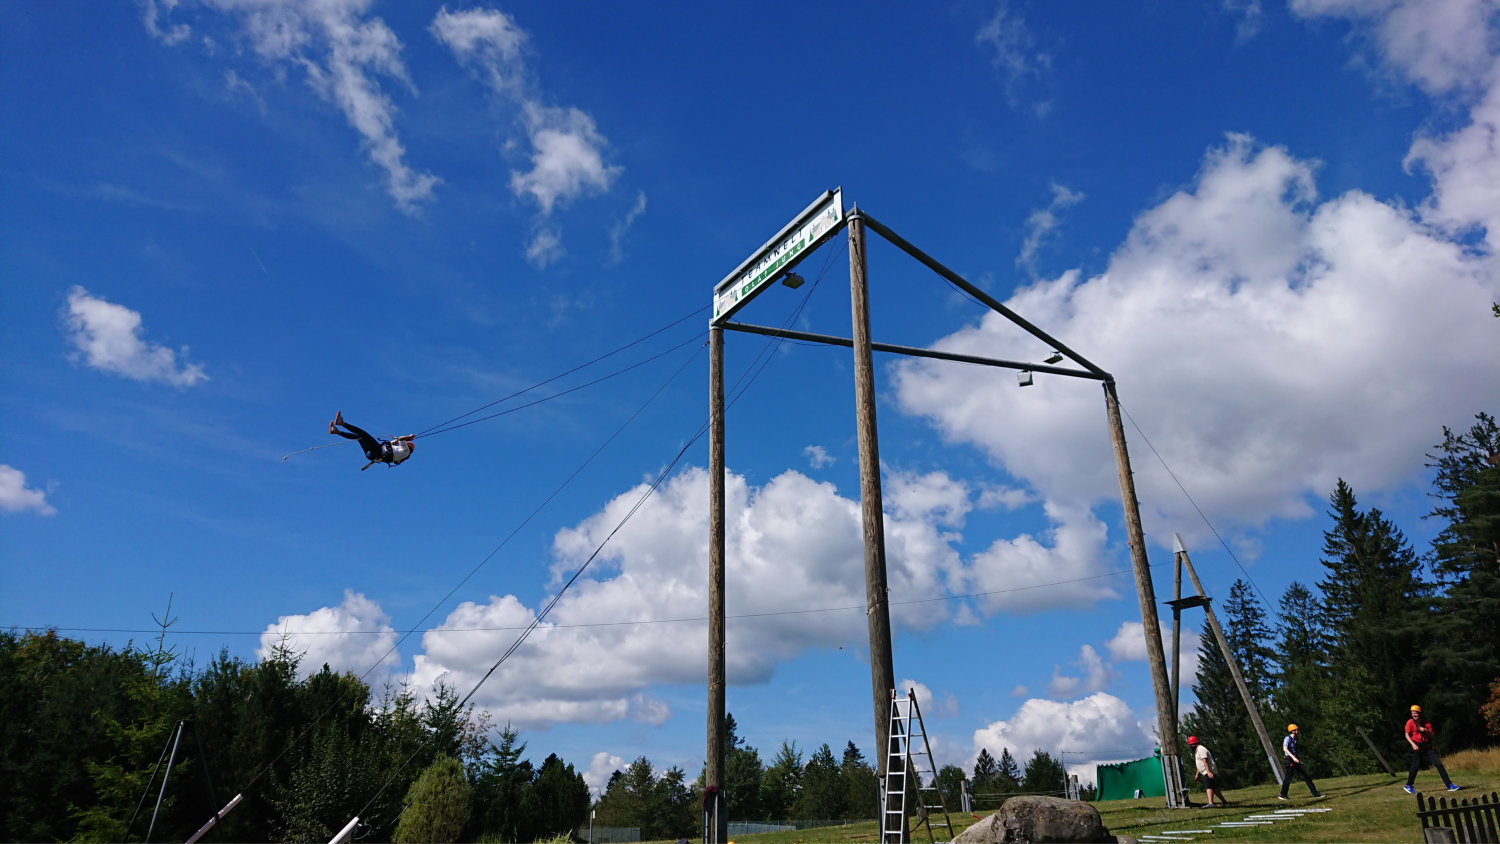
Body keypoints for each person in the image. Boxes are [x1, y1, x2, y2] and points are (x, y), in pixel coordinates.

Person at [329, 411, 415, 470]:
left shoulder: (406, 450)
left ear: (409, 445)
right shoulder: (401, 455)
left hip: (377, 451)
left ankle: (342, 423)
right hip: (371, 455)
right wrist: (396, 441)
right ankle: (336, 431)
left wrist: (409, 436)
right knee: (359, 437)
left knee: (363, 434)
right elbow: (393, 443)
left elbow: (401, 439)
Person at [1403, 704, 1460, 794]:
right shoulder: (1410, 722)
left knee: (1438, 764)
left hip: (1427, 745)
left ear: (1419, 713)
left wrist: (1425, 730)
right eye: (1412, 713)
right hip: (1417, 745)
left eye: (1415, 713)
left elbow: (1431, 735)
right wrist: (1413, 744)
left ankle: (1449, 785)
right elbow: (1406, 734)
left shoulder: (1426, 723)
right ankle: (1409, 785)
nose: (1414, 715)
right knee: (1416, 765)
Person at [1278, 724, 1323, 799]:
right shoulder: (1287, 739)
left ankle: (1315, 793)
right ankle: (1283, 795)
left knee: (1306, 775)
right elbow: (1285, 749)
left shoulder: (1295, 740)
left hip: (1295, 759)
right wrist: (1293, 758)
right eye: (1296, 730)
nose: (1298, 731)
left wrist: (1298, 758)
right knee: (1288, 778)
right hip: (1290, 760)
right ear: (1292, 731)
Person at [1186, 736, 1229, 807]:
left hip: (1208, 771)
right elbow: (1199, 763)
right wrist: (1197, 774)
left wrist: (1208, 772)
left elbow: (1205, 761)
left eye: (1193, 744)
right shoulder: (1197, 750)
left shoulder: (1201, 749)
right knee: (1214, 788)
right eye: (1191, 744)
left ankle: (1210, 803)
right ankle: (1224, 802)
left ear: (1197, 743)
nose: (1192, 746)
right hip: (1205, 771)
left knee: (1209, 787)